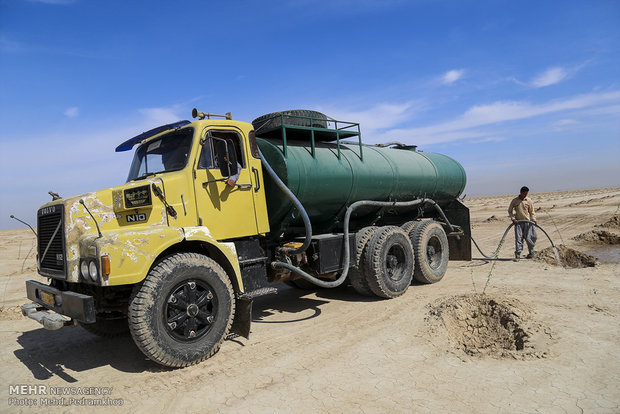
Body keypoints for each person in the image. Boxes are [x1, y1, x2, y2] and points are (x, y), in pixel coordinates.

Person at [508, 186, 537, 259]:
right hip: (518, 223)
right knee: (519, 239)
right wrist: (513, 218)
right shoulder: (515, 201)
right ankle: (518, 255)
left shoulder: (528, 200)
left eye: (527, 194)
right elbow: (510, 211)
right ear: (521, 193)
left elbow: (532, 212)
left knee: (529, 238)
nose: (526, 195)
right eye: (524, 193)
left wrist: (533, 220)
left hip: (528, 223)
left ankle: (531, 253)